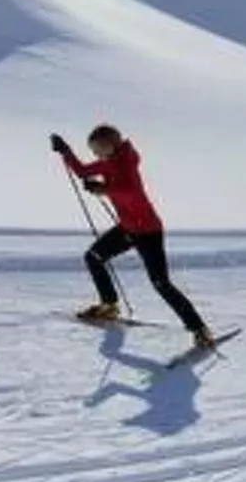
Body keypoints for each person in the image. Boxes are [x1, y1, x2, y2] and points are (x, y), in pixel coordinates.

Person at [50, 124, 217, 351]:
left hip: (148, 231)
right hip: (129, 228)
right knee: (93, 257)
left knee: (160, 283)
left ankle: (200, 329)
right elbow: (81, 171)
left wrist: (103, 189)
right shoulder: (107, 162)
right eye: (93, 151)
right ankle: (109, 304)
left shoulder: (127, 162)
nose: (95, 155)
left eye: (97, 150)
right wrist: (65, 151)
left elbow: (129, 189)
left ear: (111, 145)